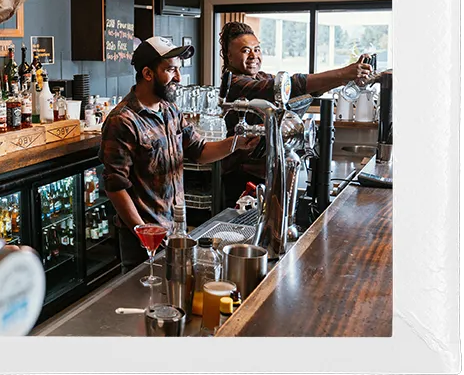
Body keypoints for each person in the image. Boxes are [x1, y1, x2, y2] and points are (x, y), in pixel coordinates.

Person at [99, 37, 257, 270]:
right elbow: (115, 186)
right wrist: (142, 231)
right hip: (143, 236)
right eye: (171, 70)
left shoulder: (170, 110)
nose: (179, 78)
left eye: (178, 70)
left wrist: (237, 143)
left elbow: (199, 151)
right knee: (140, 295)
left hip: (174, 228)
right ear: (148, 73)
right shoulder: (122, 121)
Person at [218, 21, 373, 208]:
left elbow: (304, 92)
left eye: (257, 49)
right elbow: (291, 85)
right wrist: (344, 73)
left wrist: (346, 78)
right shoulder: (235, 84)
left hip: (270, 171)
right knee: (240, 230)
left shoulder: (262, 77)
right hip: (243, 178)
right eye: (245, 50)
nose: (254, 56)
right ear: (229, 55)